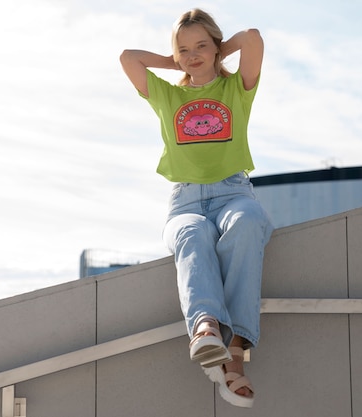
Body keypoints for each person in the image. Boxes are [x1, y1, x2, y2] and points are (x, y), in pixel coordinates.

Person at [120, 8, 274, 408]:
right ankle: (205, 330)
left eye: (201, 45)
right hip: (185, 199)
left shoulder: (236, 89)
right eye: (184, 49)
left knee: (249, 221)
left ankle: (236, 347)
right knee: (193, 234)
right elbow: (128, 58)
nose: (193, 54)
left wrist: (219, 51)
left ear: (217, 46)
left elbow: (254, 38)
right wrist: (173, 60)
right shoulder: (168, 95)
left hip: (233, 192)